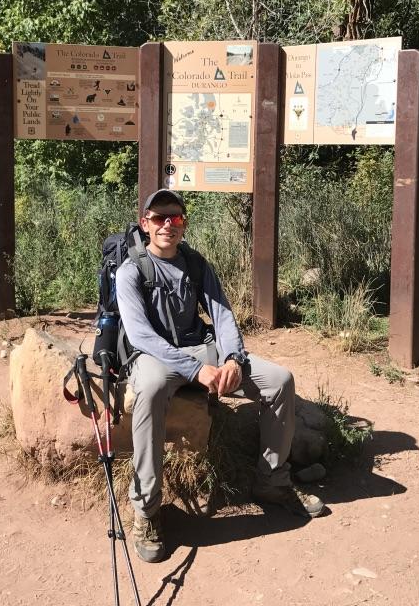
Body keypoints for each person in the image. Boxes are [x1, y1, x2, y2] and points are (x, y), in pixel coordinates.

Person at [116, 188, 325, 564]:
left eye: (175, 218)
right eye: (159, 217)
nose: (168, 224)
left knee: (280, 380)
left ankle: (272, 481)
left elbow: (223, 314)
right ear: (145, 223)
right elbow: (139, 335)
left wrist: (231, 358)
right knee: (147, 390)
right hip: (156, 356)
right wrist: (196, 370)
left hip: (202, 348)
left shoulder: (196, 264)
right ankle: (147, 509)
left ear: (184, 224)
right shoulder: (131, 269)